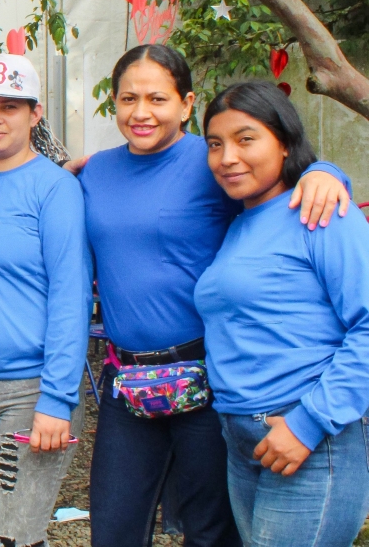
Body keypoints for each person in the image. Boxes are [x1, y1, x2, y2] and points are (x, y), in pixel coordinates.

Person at [76, 44, 350, 547]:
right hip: (127, 378)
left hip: (206, 379)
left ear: (185, 103)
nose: (141, 112)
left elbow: (278, 177)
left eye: (157, 99)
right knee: (113, 527)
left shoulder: (212, 163)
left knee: (209, 530)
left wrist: (326, 172)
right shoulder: (95, 172)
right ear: (112, 103)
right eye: (127, 98)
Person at [195, 82, 369, 546]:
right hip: (242, 438)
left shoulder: (324, 211)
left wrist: (308, 424)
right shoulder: (239, 223)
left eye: (246, 138)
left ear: (285, 141)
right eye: (215, 144)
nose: (227, 156)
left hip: (308, 438)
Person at [0, 54, 92, 547]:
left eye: (10, 106)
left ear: (35, 113)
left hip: (30, 390)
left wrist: (58, 399)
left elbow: (72, 298)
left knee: (17, 536)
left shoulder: (56, 189)